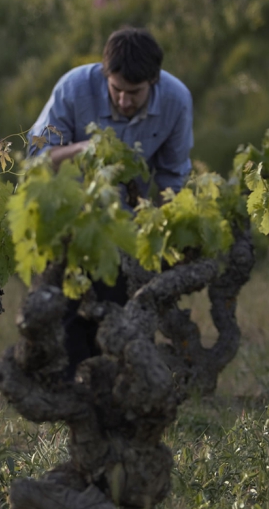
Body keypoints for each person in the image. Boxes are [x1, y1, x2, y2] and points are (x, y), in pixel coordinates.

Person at [26, 26, 193, 374]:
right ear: (105, 75)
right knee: (66, 317)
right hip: (68, 221)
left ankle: (111, 391)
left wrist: (160, 235)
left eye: (134, 92)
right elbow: (36, 158)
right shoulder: (74, 88)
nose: (123, 100)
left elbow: (173, 175)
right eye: (116, 90)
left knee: (117, 313)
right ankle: (71, 394)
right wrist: (81, 150)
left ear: (154, 81)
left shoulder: (177, 100)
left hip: (125, 226)